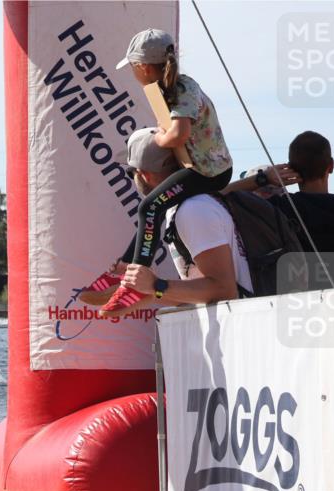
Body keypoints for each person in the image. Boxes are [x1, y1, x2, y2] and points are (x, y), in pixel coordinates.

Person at [83, 29, 234, 315]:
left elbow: (177, 134)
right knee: (153, 209)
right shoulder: (168, 88)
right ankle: (125, 270)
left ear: (143, 67)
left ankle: (134, 281)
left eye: (132, 68)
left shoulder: (182, 88)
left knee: (149, 205)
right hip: (200, 166)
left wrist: (157, 138)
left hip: (209, 171)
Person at [101, 127, 250, 315]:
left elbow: (224, 290)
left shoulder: (192, 210)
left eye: (131, 173)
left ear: (143, 174)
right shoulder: (183, 207)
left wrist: (157, 285)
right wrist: (148, 290)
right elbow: (202, 294)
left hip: (242, 329)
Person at [273, 131, 334, 255]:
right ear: (331, 165)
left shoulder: (279, 207)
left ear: (290, 168)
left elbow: (227, 194)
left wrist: (262, 179)